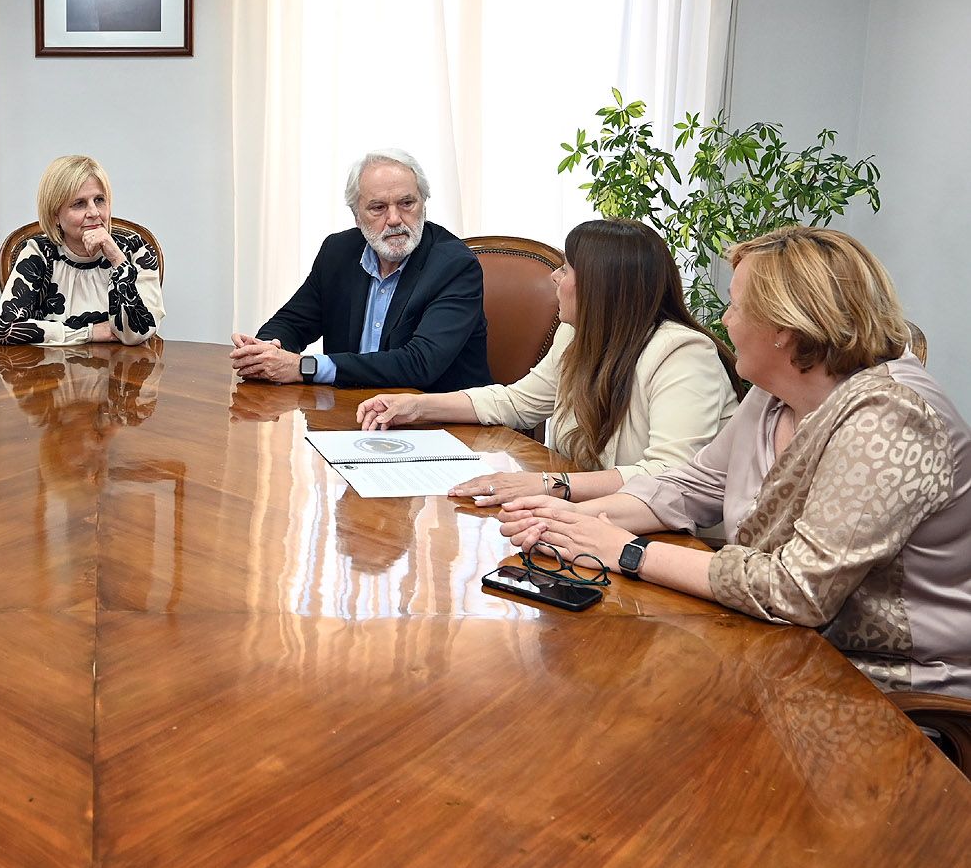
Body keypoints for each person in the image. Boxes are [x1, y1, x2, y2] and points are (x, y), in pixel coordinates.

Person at [500, 227, 971, 698]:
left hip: (887, 689)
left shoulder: (889, 418)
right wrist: (568, 521)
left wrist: (627, 551)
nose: (723, 320)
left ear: (784, 328)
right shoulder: (773, 394)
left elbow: (797, 590)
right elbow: (692, 486)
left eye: (735, 305)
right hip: (778, 645)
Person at [356, 218, 738, 504]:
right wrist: (416, 407)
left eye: (567, 269)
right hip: (595, 515)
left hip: (671, 539)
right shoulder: (576, 334)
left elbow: (668, 475)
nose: (554, 277)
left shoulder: (683, 356)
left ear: (604, 287)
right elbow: (517, 402)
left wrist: (548, 486)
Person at [231, 149, 490, 390]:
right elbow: (292, 322)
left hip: (437, 425)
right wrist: (266, 350)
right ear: (356, 216)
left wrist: (303, 368)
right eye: (378, 207)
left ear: (424, 204)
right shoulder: (338, 252)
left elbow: (420, 363)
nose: (394, 219)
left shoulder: (454, 266)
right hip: (351, 412)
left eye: (406, 203)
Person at [0, 155, 164, 346]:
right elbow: (4, 330)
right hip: (51, 373)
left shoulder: (135, 250)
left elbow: (137, 333)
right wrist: (90, 332)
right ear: (55, 215)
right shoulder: (39, 252)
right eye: (79, 204)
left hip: (123, 372)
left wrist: (117, 259)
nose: (94, 212)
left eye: (99, 200)